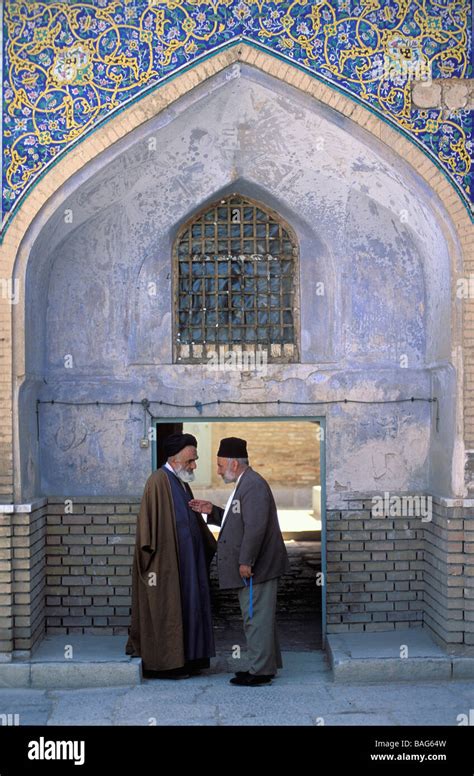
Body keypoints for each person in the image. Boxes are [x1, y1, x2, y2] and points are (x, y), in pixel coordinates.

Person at [189, 437, 290, 686]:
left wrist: (246, 561)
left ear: (234, 464)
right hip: (260, 566)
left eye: (221, 465)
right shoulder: (246, 483)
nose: (219, 470)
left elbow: (255, 528)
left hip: (259, 568)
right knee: (260, 618)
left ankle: (260, 672)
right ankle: (265, 665)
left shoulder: (252, 485)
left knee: (255, 618)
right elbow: (237, 519)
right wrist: (211, 510)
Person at [126, 432, 217, 678]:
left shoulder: (180, 481)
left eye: (195, 460)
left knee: (189, 611)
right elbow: (148, 532)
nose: (194, 465)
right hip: (166, 567)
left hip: (187, 566)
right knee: (170, 610)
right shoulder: (158, 481)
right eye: (190, 461)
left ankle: (189, 659)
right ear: (174, 459)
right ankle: (167, 665)